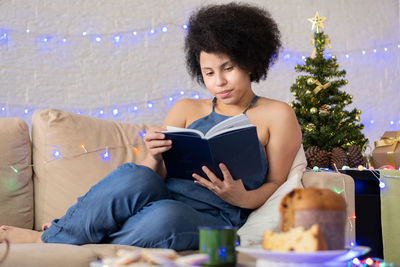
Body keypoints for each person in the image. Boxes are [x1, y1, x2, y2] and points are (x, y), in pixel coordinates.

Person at [0, 2, 301, 250]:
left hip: (216, 218)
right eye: (208, 73)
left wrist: (241, 198)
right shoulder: (185, 108)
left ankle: (54, 238)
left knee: (164, 216)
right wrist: (154, 155)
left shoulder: (277, 115)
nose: (218, 82)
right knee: (135, 174)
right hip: (161, 199)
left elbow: (277, 183)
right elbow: (151, 175)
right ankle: (60, 237)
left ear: (250, 61)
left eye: (228, 68)